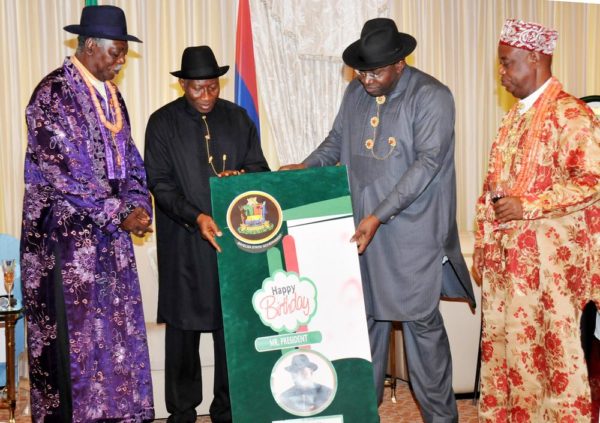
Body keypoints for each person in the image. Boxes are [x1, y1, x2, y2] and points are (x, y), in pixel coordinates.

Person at [281, 18, 475, 422]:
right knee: (361, 332)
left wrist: (378, 216)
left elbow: (427, 165)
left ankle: (441, 419)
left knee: (423, 335)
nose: (366, 79)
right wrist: (305, 167)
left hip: (412, 237)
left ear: (400, 64)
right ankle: (361, 415)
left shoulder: (432, 97)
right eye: (360, 70)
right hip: (361, 232)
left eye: (375, 71)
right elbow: (336, 141)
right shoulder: (356, 91)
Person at [20, 5, 154, 422]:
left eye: (123, 55)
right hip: (64, 243)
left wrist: (138, 204)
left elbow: (131, 159)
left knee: (114, 339)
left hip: (109, 239)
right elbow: (65, 172)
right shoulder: (52, 94)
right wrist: (118, 211)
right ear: (90, 45)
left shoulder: (112, 97)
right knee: (74, 347)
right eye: (115, 52)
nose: (119, 62)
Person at [472, 19, 600, 422]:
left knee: (550, 361)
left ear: (536, 58)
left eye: (508, 64)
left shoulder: (571, 114)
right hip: (509, 269)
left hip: (549, 272)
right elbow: (494, 187)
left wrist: (529, 204)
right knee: (509, 358)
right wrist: (483, 246)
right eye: (501, 65)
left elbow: (593, 179)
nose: (503, 74)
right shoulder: (514, 118)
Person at [144, 45, 270, 423]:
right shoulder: (162, 122)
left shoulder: (238, 117)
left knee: (231, 331)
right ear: (183, 84)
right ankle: (181, 413)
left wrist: (243, 179)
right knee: (183, 334)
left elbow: (259, 168)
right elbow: (160, 184)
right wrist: (196, 216)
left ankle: (227, 412)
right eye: (197, 88)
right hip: (185, 243)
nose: (206, 96)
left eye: (212, 87)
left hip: (232, 243)